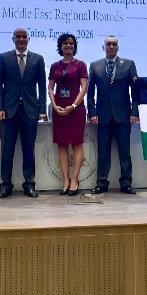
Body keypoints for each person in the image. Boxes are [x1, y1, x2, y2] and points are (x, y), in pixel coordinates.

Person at [0, 27, 47, 198]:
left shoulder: (38, 59)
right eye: (18, 37)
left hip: (30, 111)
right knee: (7, 150)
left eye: (24, 36)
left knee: (28, 149)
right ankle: (5, 185)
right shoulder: (4, 57)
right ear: (13, 39)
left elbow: (42, 86)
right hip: (8, 111)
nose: (21, 39)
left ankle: (29, 184)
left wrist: (42, 109)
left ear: (29, 39)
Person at [87, 35, 139, 194]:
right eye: (108, 44)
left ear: (118, 47)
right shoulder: (95, 65)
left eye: (114, 44)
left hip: (123, 115)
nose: (111, 46)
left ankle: (126, 183)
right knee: (103, 151)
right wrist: (92, 113)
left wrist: (134, 112)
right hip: (102, 116)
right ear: (104, 47)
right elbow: (90, 92)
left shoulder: (129, 64)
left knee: (124, 151)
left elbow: (135, 92)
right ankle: (101, 182)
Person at [47, 33, 88, 197]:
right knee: (62, 145)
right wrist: (54, 105)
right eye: (65, 43)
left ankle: (74, 180)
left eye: (71, 43)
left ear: (74, 46)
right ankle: (65, 180)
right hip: (59, 109)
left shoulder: (80, 65)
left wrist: (73, 106)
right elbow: (50, 88)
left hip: (76, 109)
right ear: (61, 46)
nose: (68, 45)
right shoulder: (54, 66)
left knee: (77, 144)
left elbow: (84, 87)